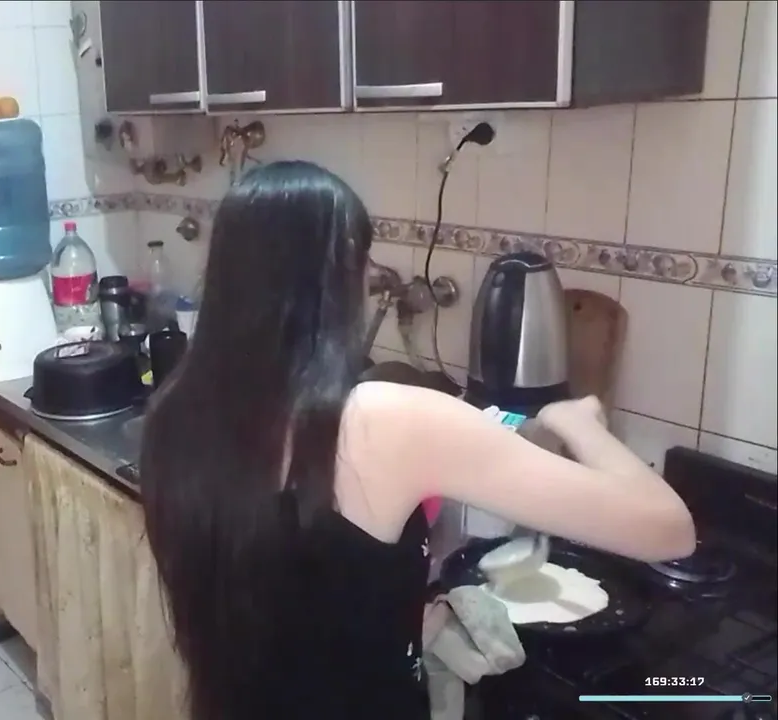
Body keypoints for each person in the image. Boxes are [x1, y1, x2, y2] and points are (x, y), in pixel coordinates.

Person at [139, 161, 696, 720]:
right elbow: (668, 527)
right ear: (338, 271)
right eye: (364, 260)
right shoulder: (382, 420)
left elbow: (287, 609)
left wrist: (399, 618)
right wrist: (578, 421)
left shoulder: (175, 415)